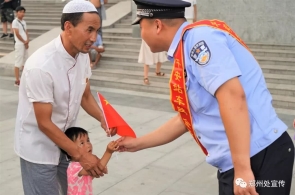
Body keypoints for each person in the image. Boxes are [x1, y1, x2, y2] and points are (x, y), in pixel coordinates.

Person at [117, 1, 295, 195]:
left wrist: (243, 169)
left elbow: (233, 96)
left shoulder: (198, 40)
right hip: (241, 160)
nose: (141, 34)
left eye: (141, 26)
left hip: (258, 157)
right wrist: (138, 143)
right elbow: (187, 119)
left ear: (157, 25)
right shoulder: (187, 47)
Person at [14, 0, 117, 195]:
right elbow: (44, 123)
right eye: (89, 30)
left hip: (67, 143)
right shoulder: (41, 65)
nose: (94, 38)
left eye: (97, 30)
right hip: (39, 148)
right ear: (68, 27)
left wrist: (103, 118)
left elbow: (84, 95)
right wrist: (81, 154)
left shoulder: (83, 55)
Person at [63, 127, 118, 195]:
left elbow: (98, 169)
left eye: (88, 140)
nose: (88, 145)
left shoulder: (83, 165)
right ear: (70, 151)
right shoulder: (74, 167)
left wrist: (102, 167)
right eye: (82, 143)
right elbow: (99, 167)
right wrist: (108, 152)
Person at [12, 5, 28, 87]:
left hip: (25, 43)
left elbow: (26, 32)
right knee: (18, 62)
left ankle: (24, 79)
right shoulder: (15, 22)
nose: (22, 14)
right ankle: (17, 80)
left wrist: (27, 41)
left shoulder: (24, 22)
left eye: (23, 12)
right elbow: (17, 34)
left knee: (25, 61)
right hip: (19, 44)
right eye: (20, 12)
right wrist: (24, 41)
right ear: (16, 13)